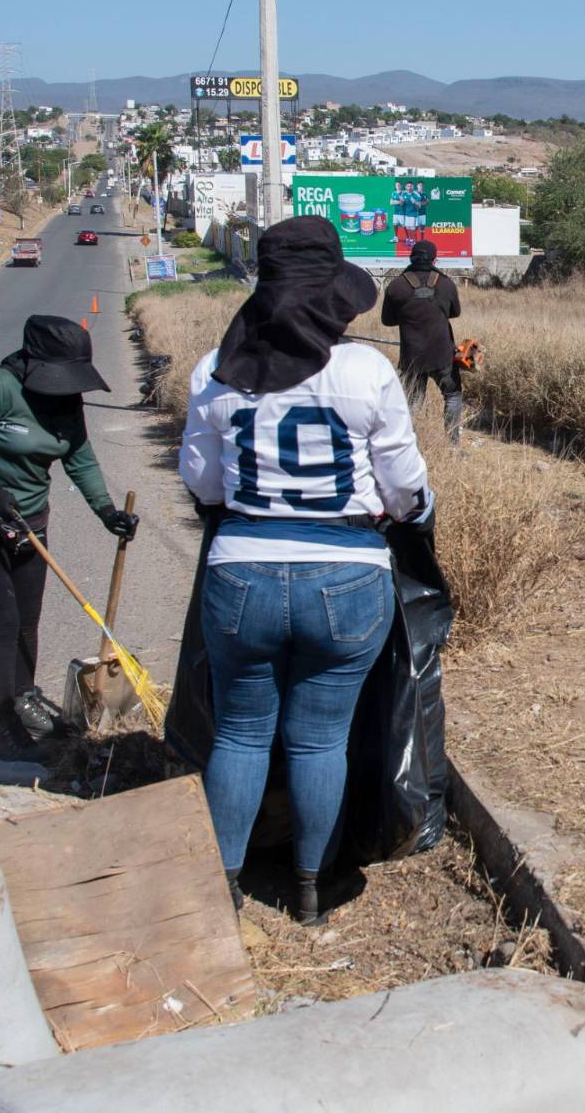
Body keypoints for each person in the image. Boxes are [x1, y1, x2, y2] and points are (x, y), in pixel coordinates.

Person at [181, 215, 432, 925]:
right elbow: (404, 487)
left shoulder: (214, 369)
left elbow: (201, 482)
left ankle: (224, 884)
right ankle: (310, 890)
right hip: (346, 577)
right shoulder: (364, 370)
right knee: (320, 737)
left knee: (239, 733)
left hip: (241, 572)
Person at [0, 316, 138, 759]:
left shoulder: (66, 401)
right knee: (3, 623)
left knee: (28, 620)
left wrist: (107, 513)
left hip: (29, 527)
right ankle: (4, 723)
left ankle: (24, 697)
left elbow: (79, 460)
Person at [379, 238, 464, 442]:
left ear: (411, 258)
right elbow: (455, 312)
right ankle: (453, 445)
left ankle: (409, 444)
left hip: (412, 357)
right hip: (443, 355)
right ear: (435, 260)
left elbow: (387, 320)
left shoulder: (396, 286)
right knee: (453, 396)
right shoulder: (446, 284)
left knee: (412, 404)